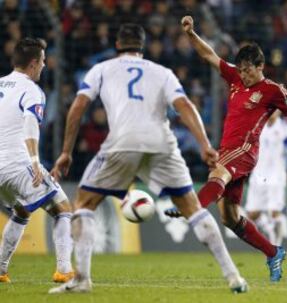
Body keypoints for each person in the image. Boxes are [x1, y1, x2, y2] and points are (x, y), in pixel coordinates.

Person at [48, 24, 248, 294]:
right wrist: (205, 145)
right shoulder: (161, 72)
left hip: (122, 143)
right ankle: (233, 276)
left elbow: (78, 107)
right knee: (193, 208)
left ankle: (83, 279)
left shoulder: (102, 70)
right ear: (142, 47)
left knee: (84, 201)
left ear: (117, 44)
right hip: (162, 144)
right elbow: (185, 107)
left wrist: (66, 152)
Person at [165, 16, 287, 282]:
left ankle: (191, 206)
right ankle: (273, 252)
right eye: (242, 70)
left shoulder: (273, 90)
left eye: (249, 70)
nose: (244, 75)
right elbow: (210, 56)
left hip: (245, 151)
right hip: (227, 149)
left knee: (219, 175)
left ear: (261, 66)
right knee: (230, 218)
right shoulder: (235, 77)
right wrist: (191, 34)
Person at [0, 38, 73, 283]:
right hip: (18, 164)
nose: (44, 65)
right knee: (63, 208)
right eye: (42, 61)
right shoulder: (31, 90)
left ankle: (0, 271)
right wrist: (34, 161)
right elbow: (30, 125)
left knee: (21, 211)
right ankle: (64, 270)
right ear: (33, 63)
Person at [245, 110, 287, 246]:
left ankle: (276, 248)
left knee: (274, 212)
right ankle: (270, 230)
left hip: (276, 176)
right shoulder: (257, 127)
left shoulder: (286, 130)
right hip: (258, 176)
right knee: (252, 214)